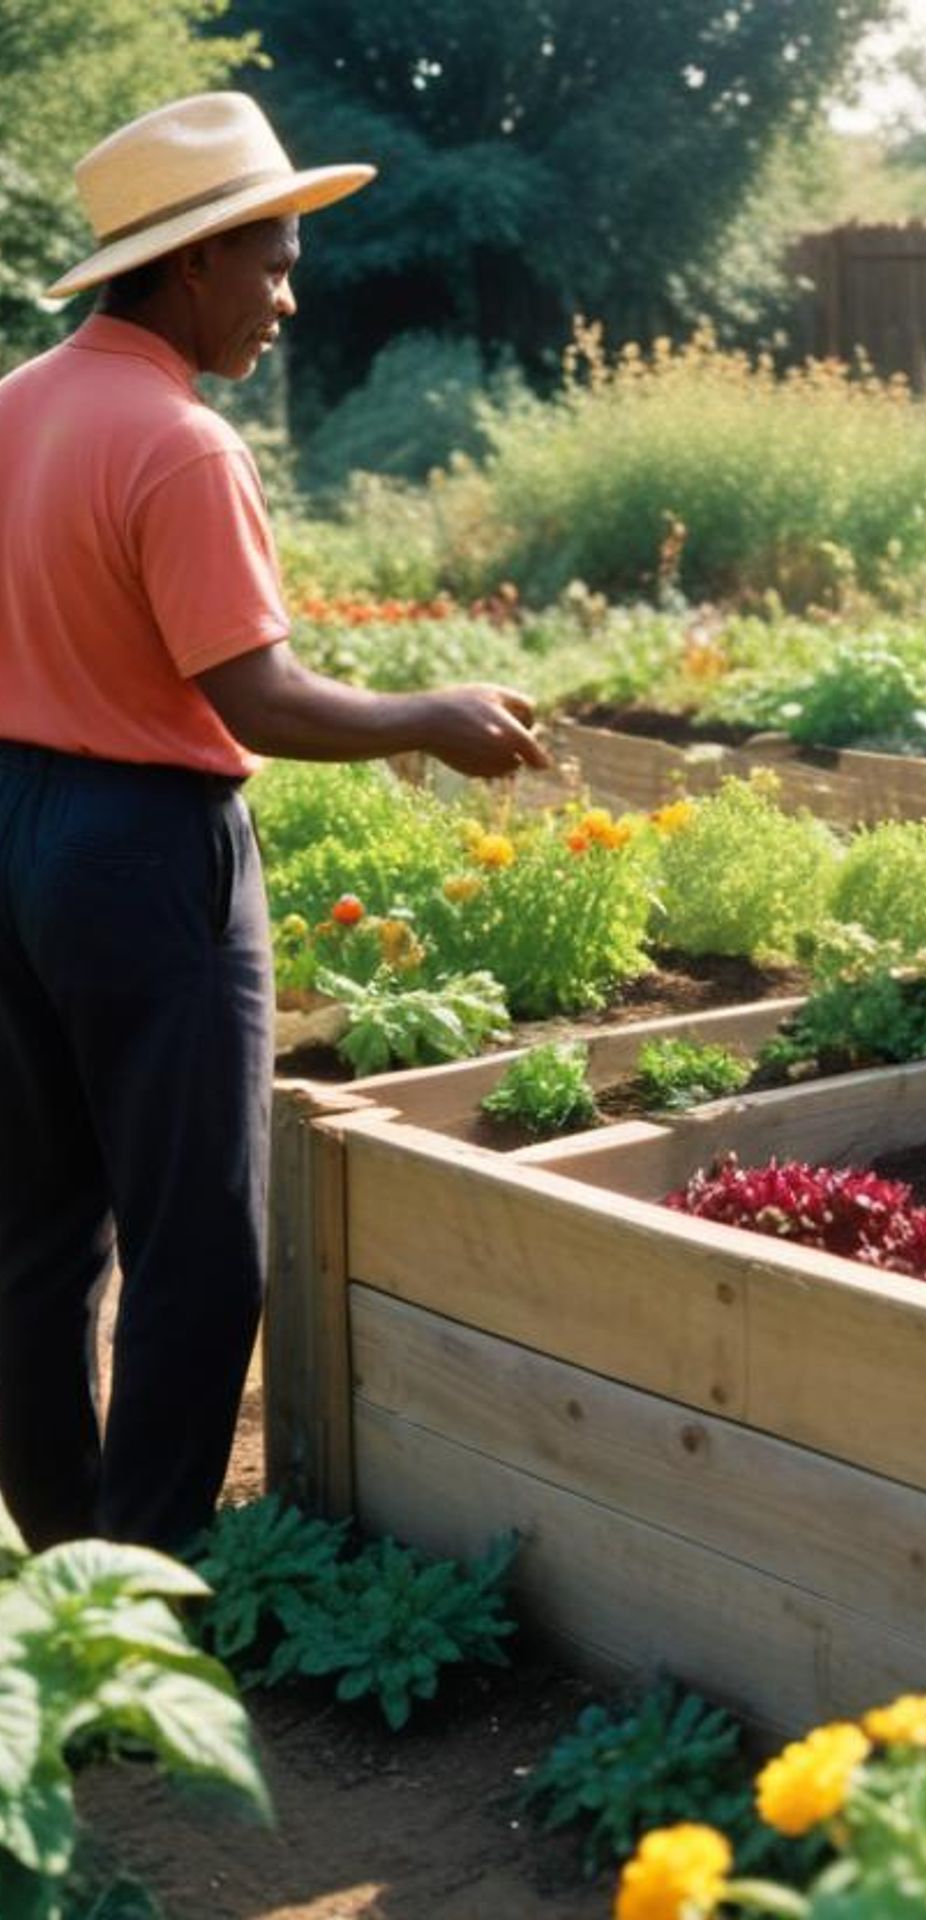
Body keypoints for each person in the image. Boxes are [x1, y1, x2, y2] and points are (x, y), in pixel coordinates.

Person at [0, 93, 550, 1554]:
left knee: (43, 1235)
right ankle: (149, 1594)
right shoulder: (181, 443)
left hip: (8, 828)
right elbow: (256, 698)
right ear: (192, 265)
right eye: (275, 263)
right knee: (204, 1247)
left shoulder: (16, 406)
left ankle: (66, 1572)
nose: (290, 300)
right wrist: (426, 711)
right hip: (138, 848)